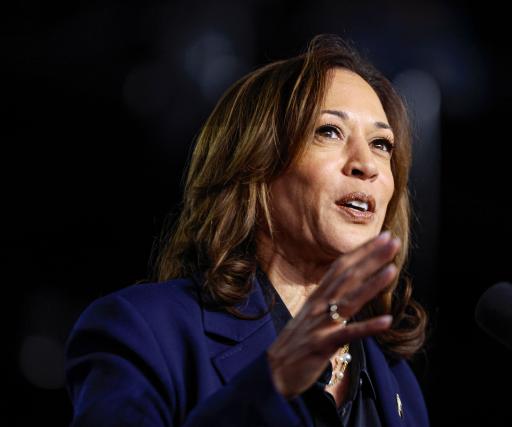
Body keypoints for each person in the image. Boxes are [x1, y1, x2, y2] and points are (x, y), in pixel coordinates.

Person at [64, 34, 430, 427]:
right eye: (328, 131)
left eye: (381, 144)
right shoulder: (144, 330)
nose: (367, 165)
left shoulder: (396, 382)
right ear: (256, 165)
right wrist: (271, 384)